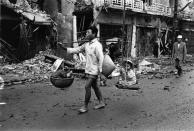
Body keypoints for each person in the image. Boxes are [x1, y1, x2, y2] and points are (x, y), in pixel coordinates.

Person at [58, 26, 105, 113]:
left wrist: (101, 72)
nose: (86, 34)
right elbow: (77, 49)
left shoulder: (97, 45)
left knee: (87, 86)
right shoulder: (87, 45)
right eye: (86, 32)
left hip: (94, 70)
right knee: (95, 87)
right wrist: (64, 48)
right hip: (89, 69)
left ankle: (85, 106)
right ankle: (101, 102)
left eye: (88, 32)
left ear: (94, 34)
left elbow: (101, 58)